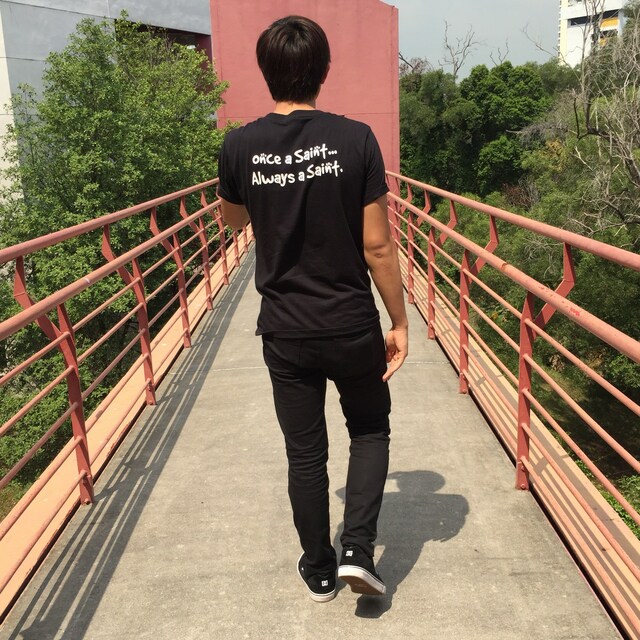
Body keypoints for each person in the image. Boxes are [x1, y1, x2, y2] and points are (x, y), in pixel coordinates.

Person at [217, 15, 408, 603]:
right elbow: (378, 246)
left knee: (305, 453)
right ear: (324, 70)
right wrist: (400, 321)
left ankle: (320, 569)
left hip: (286, 329)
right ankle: (358, 551)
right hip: (351, 323)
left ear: (265, 72)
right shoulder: (356, 140)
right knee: (369, 428)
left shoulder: (239, 146)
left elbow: (234, 220)